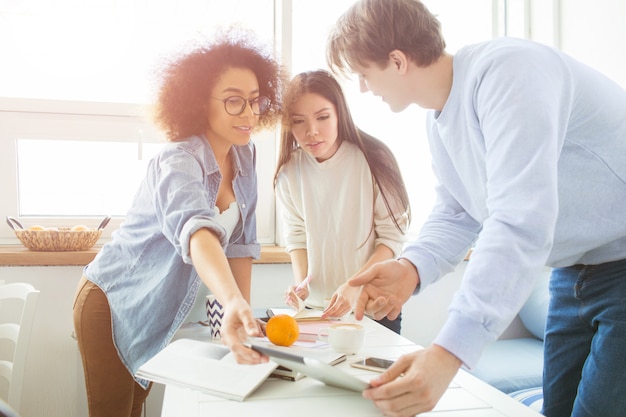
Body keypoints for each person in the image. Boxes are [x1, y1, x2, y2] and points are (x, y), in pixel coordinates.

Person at [327, 0, 626, 416]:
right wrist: (410, 268)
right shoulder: (439, 121)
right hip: (572, 273)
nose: (362, 88)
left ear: (397, 61)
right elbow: (458, 212)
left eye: (363, 74)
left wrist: (448, 352)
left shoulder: (510, 72)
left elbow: (519, 220)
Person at [72, 29, 287, 417]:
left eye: (255, 101)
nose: (250, 114)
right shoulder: (177, 161)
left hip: (156, 308)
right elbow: (197, 232)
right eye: (234, 101)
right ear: (198, 102)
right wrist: (232, 299)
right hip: (111, 300)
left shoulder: (245, 155)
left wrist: (242, 316)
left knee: (136, 408)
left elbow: (239, 244)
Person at [273, 69, 411, 333]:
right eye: (299, 121)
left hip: (372, 307)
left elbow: (392, 239)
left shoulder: (375, 159)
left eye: (323, 117)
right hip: (317, 312)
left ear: (340, 114)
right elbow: (297, 237)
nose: (311, 131)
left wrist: (354, 285)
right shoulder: (289, 171)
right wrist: (301, 286)